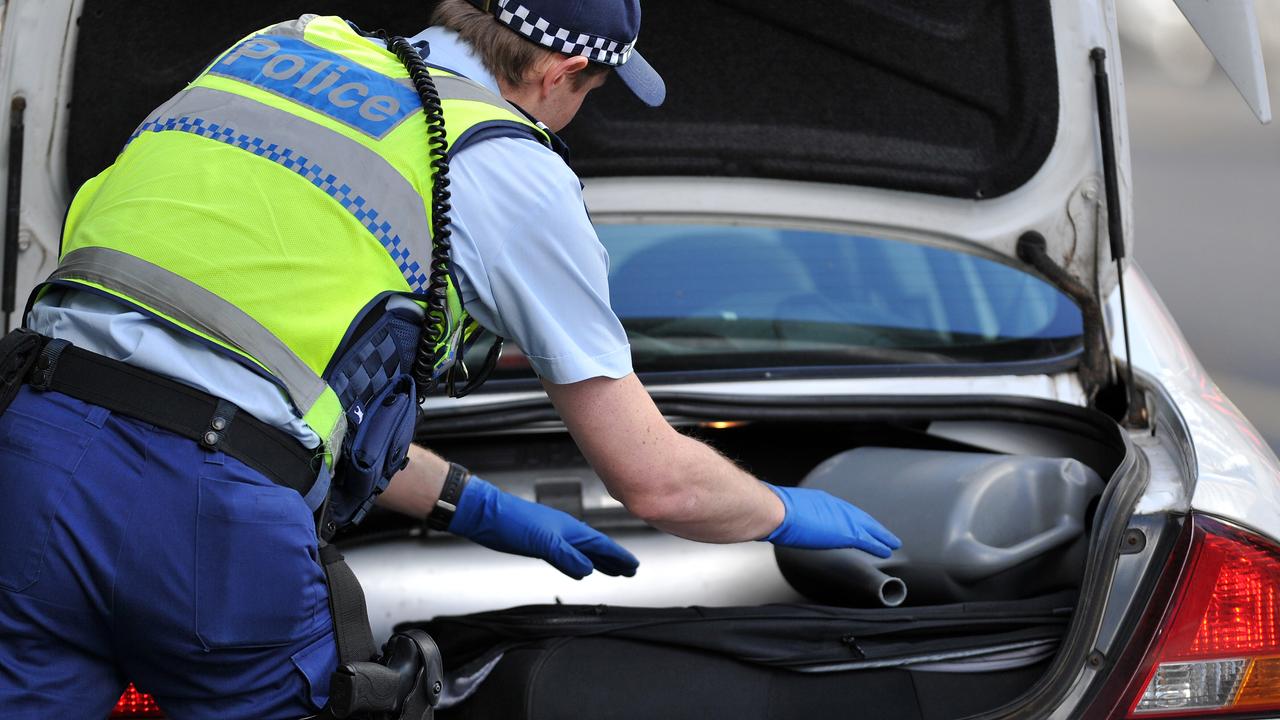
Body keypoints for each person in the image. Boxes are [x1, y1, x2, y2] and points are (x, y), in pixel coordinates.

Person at [0, 1, 900, 717]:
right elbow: (659, 484)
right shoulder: (507, 168)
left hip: (30, 455)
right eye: (591, 92)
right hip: (208, 533)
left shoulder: (282, 46)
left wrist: (478, 505)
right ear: (561, 71)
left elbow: (229, 382)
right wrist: (781, 510)